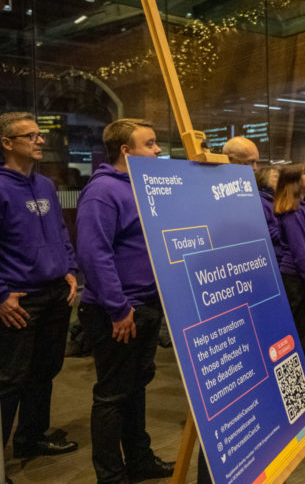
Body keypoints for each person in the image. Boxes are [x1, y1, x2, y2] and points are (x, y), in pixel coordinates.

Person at [76, 119, 174, 483]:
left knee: (136, 390)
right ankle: (111, 474)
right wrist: (119, 308)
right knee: (113, 396)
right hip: (117, 311)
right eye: (150, 144)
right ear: (125, 151)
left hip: (144, 306)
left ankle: (139, 460)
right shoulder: (103, 191)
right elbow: (93, 254)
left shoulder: (142, 188)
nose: (158, 150)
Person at [0, 112, 79, 470]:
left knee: (44, 370)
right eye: (30, 135)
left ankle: (31, 438)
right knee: (10, 380)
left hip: (54, 292)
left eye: (39, 134)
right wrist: (2, 293)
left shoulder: (47, 185)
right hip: (20, 298)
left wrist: (70, 269)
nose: (40, 140)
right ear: (7, 143)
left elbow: (61, 232)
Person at [274, 163, 305, 380]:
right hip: (297, 280)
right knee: (302, 335)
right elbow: (302, 255)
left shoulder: (302, 209)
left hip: (300, 279)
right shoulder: (292, 214)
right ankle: (303, 382)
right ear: (295, 181)